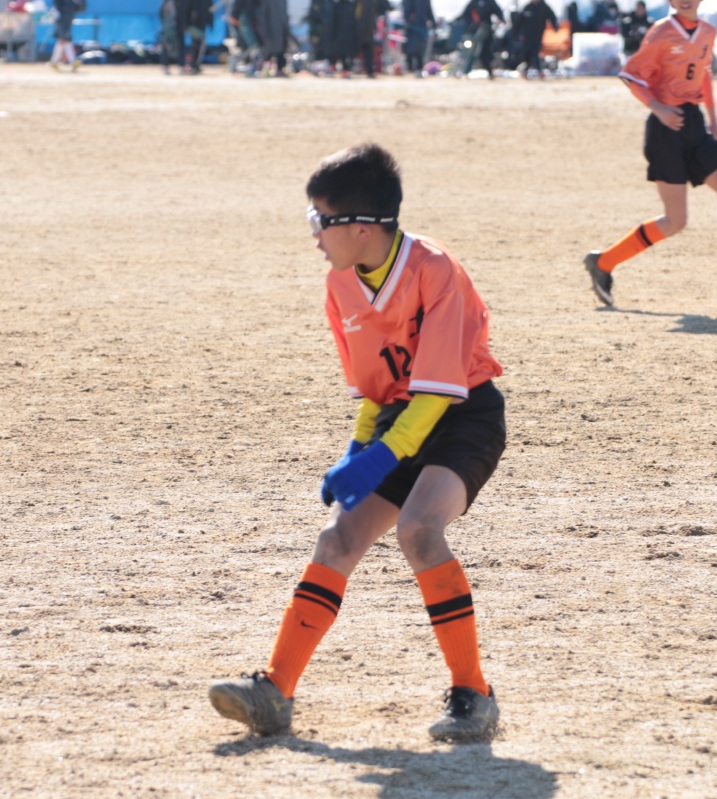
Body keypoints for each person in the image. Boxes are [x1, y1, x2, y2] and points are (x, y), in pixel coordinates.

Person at [209, 143, 507, 743]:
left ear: (361, 228)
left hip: (464, 415)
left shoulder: (435, 270)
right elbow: (377, 391)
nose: (313, 234)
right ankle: (275, 692)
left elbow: (438, 391)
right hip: (399, 421)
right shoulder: (340, 285)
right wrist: (358, 448)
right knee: (338, 538)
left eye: (319, 219)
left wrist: (381, 457)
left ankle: (474, 694)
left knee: (419, 529)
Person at [582, 0, 717, 312]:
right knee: (675, 221)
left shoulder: (708, 31)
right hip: (665, 131)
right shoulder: (661, 31)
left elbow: (704, 74)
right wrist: (658, 108)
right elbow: (631, 75)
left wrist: (714, 120)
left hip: (695, 126)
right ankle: (603, 262)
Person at [161, 0, 213, 74]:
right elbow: (163, 11)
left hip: (183, 23)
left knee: (182, 43)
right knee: (169, 43)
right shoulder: (169, 2)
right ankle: (167, 65)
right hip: (172, 24)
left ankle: (184, 65)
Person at [457, 0, 506, 77]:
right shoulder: (474, 2)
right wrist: (466, 23)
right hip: (475, 31)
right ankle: (466, 71)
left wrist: (502, 19)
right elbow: (465, 14)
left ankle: (488, 71)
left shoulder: (490, 2)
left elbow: (498, 11)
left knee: (484, 52)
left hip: (486, 32)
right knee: (473, 51)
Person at [514, 0, 558, 77]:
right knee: (527, 53)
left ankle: (537, 70)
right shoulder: (528, 7)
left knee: (535, 52)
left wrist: (555, 27)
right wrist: (517, 33)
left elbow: (552, 16)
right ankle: (528, 71)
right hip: (527, 35)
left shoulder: (544, 7)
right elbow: (519, 21)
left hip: (538, 34)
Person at [402, 0, 436, 75]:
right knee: (411, 48)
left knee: (420, 49)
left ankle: (419, 68)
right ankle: (410, 68)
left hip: (421, 25)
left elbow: (429, 10)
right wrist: (407, 18)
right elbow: (405, 8)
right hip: (412, 26)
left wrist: (434, 25)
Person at [49, 0, 81, 72]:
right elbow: (58, 6)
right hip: (62, 16)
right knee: (65, 39)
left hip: (67, 15)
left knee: (63, 40)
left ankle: (54, 61)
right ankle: (72, 61)